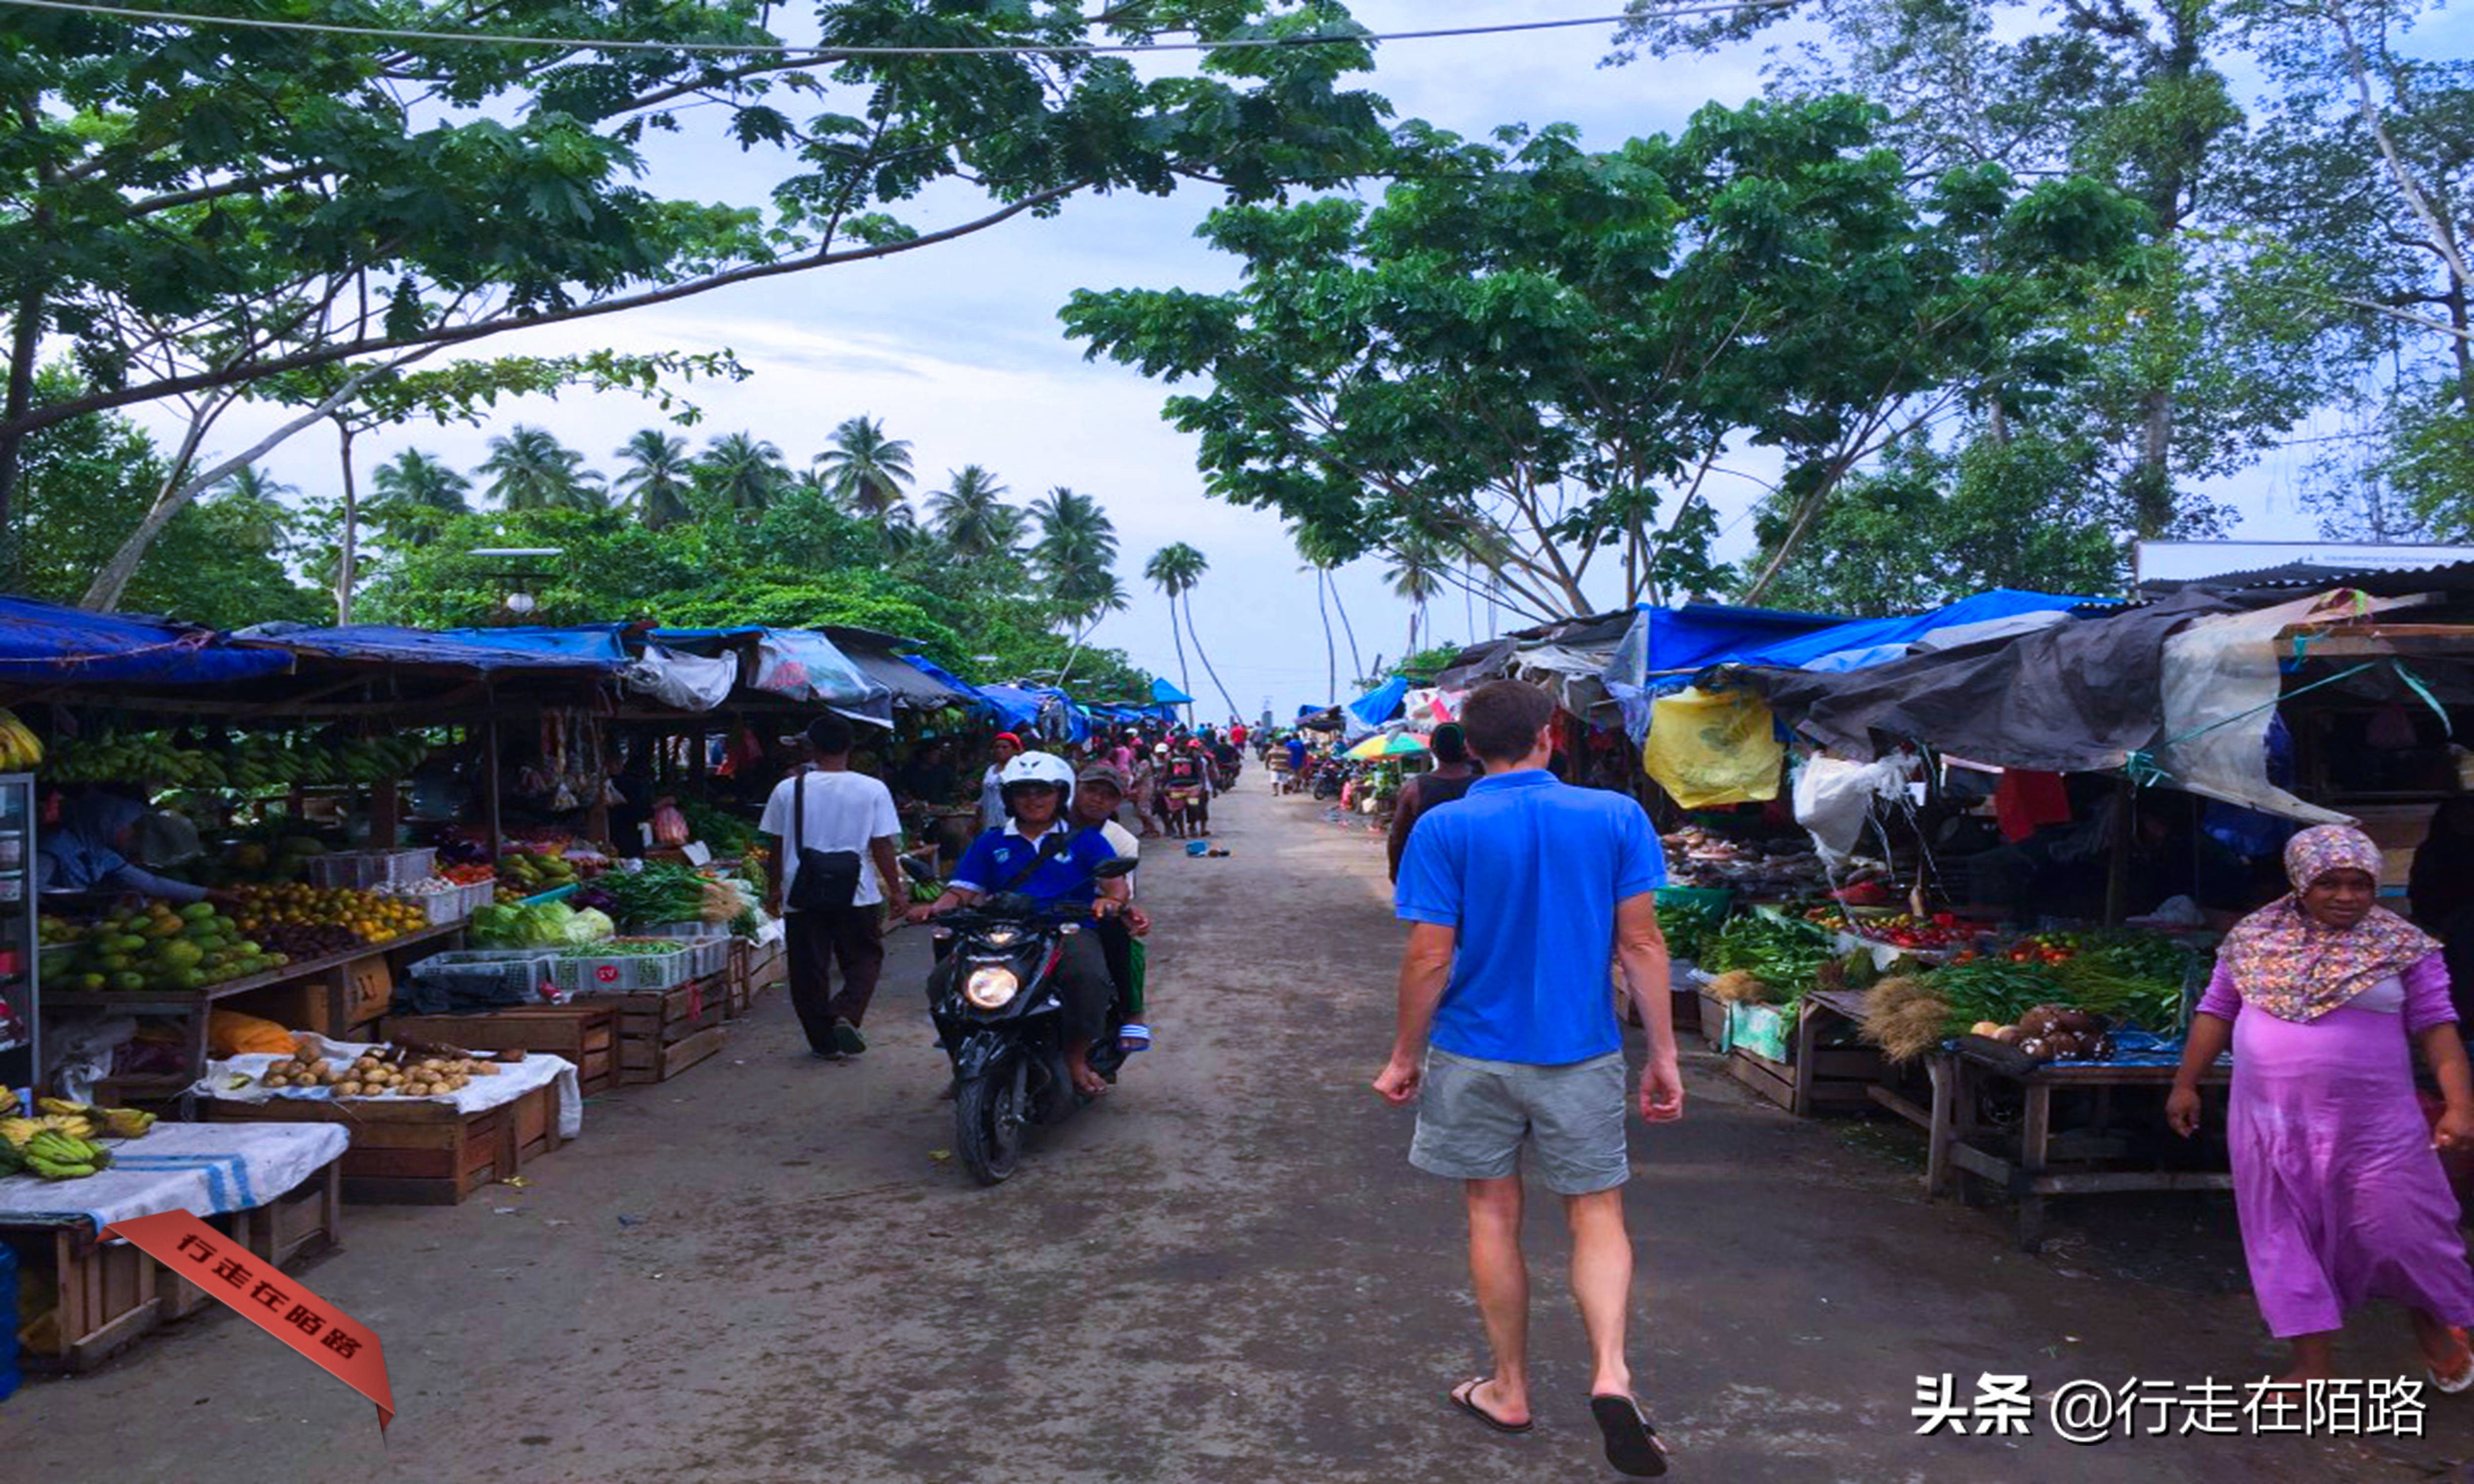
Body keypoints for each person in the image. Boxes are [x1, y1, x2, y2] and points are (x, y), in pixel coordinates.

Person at [1372, 679, 1682, 1477]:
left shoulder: (1447, 826)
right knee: (1597, 1213)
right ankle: (1612, 1373)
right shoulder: (1615, 816)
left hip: (1476, 1052)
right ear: (1552, 733)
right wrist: (1665, 1056)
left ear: (1469, 746)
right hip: (1579, 1052)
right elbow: (1642, 946)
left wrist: (1405, 1055)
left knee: (1491, 1214)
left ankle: (1509, 1389)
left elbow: (1430, 955)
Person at [2168, 825, 2474, 1389]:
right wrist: (2186, 1083)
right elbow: (2216, 1011)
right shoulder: (2253, 939)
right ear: (2299, 883)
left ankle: (2434, 1326)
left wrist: (2459, 1106)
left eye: (2358, 884)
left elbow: (2437, 1029)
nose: (2345, 896)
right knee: (2283, 1238)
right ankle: (2311, 1369)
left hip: (2375, 1128)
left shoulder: (2404, 946)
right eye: (2328, 883)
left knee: (2402, 1232)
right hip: (2268, 1124)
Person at [909, 752, 1136, 1095]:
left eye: (1042, 791)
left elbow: (1116, 885)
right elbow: (963, 890)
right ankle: (964, 1060)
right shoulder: (991, 841)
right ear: (1010, 798)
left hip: (1067, 929)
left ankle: (1076, 1059)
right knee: (943, 983)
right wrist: (936, 908)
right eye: (1023, 792)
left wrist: (1111, 901)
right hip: (1001, 930)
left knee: (1087, 977)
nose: (1034, 800)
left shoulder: (1085, 840)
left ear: (1060, 794)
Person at [759, 716, 905, 1061]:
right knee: (865, 958)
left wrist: (775, 888)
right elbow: (883, 845)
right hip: (856, 891)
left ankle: (823, 1042)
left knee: (809, 969)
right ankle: (845, 1013)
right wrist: (897, 891)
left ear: (812, 746)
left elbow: (776, 847)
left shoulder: (788, 789)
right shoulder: (872, 789)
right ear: (851, 747)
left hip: (803, 890)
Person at [38, 793, 235, 906]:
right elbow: (29, 895)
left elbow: (152, 884)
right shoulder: (53, 848)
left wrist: (213, 894)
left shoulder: (103, 855)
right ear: (106, 823)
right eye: (129, 830)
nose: (131, 842)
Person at [1386, 723, 1483, 882]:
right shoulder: (1484, 787)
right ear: (1468, 749)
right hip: (1475, 873)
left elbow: (1398, 836)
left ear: (1433, 750)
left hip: (1431, 876)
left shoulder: (1414, 789)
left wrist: (1396, 870)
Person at [978, 732, 1024, 832]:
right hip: (990, 818)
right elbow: (985, 796)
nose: (1000, 750)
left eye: (1005, 747)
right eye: (997, 747)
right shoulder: (991, 770)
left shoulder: (1020, 768)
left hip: (1011, 819)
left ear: (1015, 750)